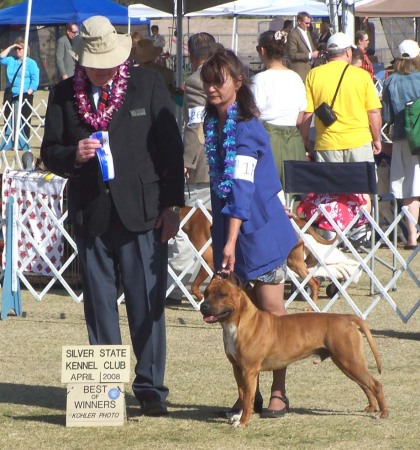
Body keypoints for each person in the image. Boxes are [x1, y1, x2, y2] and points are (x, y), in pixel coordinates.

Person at [41, 16, 185, 416]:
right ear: (80, 60)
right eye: (94, 63)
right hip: (91, 213)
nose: (103, 70)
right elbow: (49, 150)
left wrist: (173, 206)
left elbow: (170, 150)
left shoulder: (148, 85)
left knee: (146, 305)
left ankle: (151, 389)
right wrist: (73, 154)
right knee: (99, 307)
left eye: (108, 62)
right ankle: (104, 392)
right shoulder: (63, 94)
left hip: (144, 212)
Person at [201, 46, 298, 418]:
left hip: (258, 230)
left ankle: (279, 392)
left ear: (239, 83)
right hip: (229, 226)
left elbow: (242, 187)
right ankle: (248, 395)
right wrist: (223, 235)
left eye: (218, 82)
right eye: (207, 81)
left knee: (272, 312)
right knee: (233, 316)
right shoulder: (212, 124)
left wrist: (229, 241)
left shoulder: (247, 128)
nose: (211, 88)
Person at [300, 32, 382, 219]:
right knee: (362, 190)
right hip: (358, 141)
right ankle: (361, 232)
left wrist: (305, 139)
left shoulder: (314, 75)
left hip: (327, 143)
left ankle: (334, 232)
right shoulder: (362, 76)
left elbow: (307, 113)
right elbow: (374, 112)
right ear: (347, 52)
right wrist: (377, 139)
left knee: (330, 192)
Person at [167, 32, 218, 305]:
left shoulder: (197, 81)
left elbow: (194, 126)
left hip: (202, 167)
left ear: (191, 54)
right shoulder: (226, 75)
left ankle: (178, 287)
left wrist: (185, 161)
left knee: (188, 231)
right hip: (221, 165)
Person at [251, 30, 308, 188]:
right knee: (296, 194)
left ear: (262, 51)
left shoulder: (259, 80)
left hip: (269, 140)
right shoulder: (296, 78)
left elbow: (254, 115)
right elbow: (299, 118)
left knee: (269, 192)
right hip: (294, 140)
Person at [382, 39, 420, 249]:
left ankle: (412, 237)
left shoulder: (390, 81)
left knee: (409, 189)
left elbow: (387, 115)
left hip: (403, 138)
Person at [0, 37, 39, 151]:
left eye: (20, 49)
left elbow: (35, 79)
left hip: (25, 94)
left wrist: (30, 91)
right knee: (8, 117)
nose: (18, 51)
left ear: (25, 50)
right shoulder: (11, 60)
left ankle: (23, 142)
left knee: (24, 118)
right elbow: (1, 58)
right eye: (16, 49)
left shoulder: (31, 63)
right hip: (10, 93)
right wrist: (11, 46)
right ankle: (9, 142)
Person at [286, 11, 319, 82]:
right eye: (306, 23)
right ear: (299, 21)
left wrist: (317, 52)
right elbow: (292, 55)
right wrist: (310, 55)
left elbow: (311, 48)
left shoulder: (307, 33)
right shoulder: (293, 34)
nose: (308, 25)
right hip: (300, 71)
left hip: (310, 69)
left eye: (309, 23)